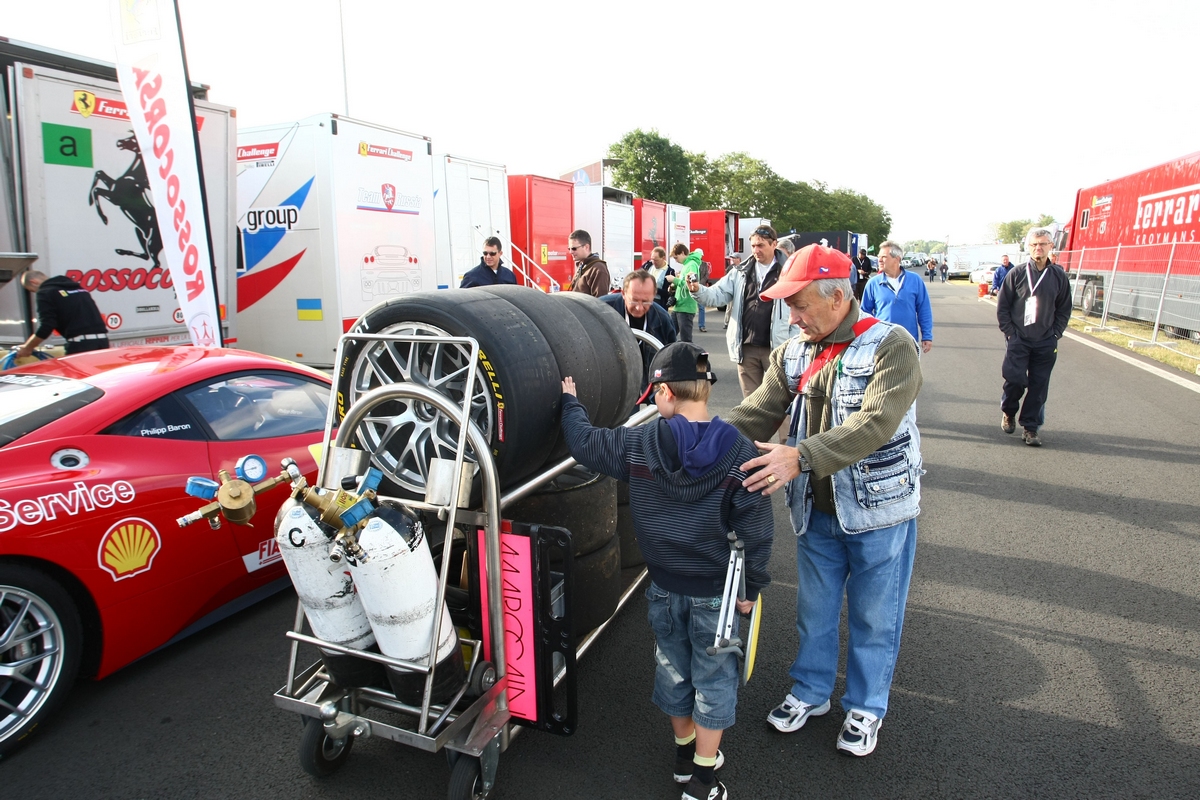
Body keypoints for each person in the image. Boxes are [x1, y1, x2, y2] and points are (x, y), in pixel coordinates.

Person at [722, 243, 923, 759]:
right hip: (815, 510)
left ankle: (865, 706)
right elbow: (758, 411)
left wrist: (799, 456)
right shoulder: (794, 351)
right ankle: (811, 691)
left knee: (875, 618)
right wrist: (698, 446)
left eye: (800, 305)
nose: (791, 317)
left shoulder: (892, 346)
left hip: (879, 510)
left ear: (837, 298)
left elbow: (875, 422)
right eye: (788, 306)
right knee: (814, 611)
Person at [559, 342, 773, 800]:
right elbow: (756, 528)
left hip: (663, 586)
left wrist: (570, 402)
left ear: (665, 394)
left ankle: (683, 755)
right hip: (716, 590)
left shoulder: (638, 444)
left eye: (655, 394)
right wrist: (752, 586)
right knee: (714, 679)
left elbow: (584, 443)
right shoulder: (737, 448)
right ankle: (702, 778)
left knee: (674, 670)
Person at [693, 224, 798, 398]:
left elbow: (800, 308)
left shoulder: (789, 272)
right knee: (751, 405)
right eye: (754, 246)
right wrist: (697, 290)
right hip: (746, 348)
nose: (756, 250)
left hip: (777, 348)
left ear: (774, 244)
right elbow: (717, 295)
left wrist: (793, 344)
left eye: (761, 245)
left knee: (781, 403)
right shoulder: (740, 271)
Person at [996, 227, 1072, 447]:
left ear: (1051, 246)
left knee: (1039, 386)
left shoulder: (1058, 276)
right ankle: (1009, 411)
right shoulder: (1017, 273)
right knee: (1015, 380)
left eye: (1043, 244)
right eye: (1034, 244)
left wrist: (1056, 333)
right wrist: (1010, 332)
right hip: (1019, 338)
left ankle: (1030, 427)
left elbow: (1064, 308)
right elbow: (1003, 307)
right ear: (1028, 247)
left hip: (1046, 341)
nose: (1039, 248)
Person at [600, 270, 678, 385]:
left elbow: (670, 356)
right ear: (623, 293)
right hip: (611, 378)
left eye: (646, 302)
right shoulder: (600, 310)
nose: (639, 308)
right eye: (634, 300)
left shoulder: (663, 319)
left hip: (649, 378)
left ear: (654, 295)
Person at [860, 241, 934, 355]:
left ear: (897, 259)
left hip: (908, 341)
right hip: (881, 342)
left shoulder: (915, 280)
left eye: (884, 257)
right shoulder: (873, 283)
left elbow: (924, 310)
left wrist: (927, 336)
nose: (879, 260)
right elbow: (864, 313)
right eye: (879, 257)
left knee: (909, 373)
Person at [16, 269, 109, 357]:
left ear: (33, 282)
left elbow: (46, 325)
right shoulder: (77, 287)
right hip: (103, 343)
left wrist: (28, 347)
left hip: (81, 345)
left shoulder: (45, 292)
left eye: (32, 290)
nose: (35, 292)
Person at [667, 246, 702, 342]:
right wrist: (674, 286)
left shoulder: (691, 265)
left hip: (686, 308)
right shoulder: (686, 265)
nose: (676, 260)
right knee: (669, 335)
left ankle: (687, 356)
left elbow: (692, 285)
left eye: (676, 257)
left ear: (682, 253)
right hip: (679, 306)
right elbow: (683, 283)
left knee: (685, 339)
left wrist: (674, 280)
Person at [569, 229, 610, 297]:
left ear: (586, 247)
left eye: (574, 248)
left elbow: (600, 302)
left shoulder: (598, 269)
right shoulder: (582, 265)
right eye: (569, 249)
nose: (570, 252)